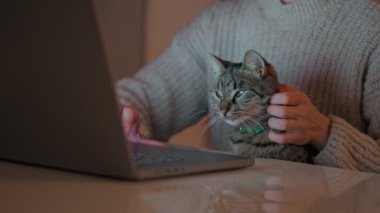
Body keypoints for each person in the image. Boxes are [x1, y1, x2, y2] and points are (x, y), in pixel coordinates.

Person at [116, 0, 380, 173]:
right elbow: (140, 98)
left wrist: (325, 134)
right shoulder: (217, 21)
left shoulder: (371, 27)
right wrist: (118, 114)